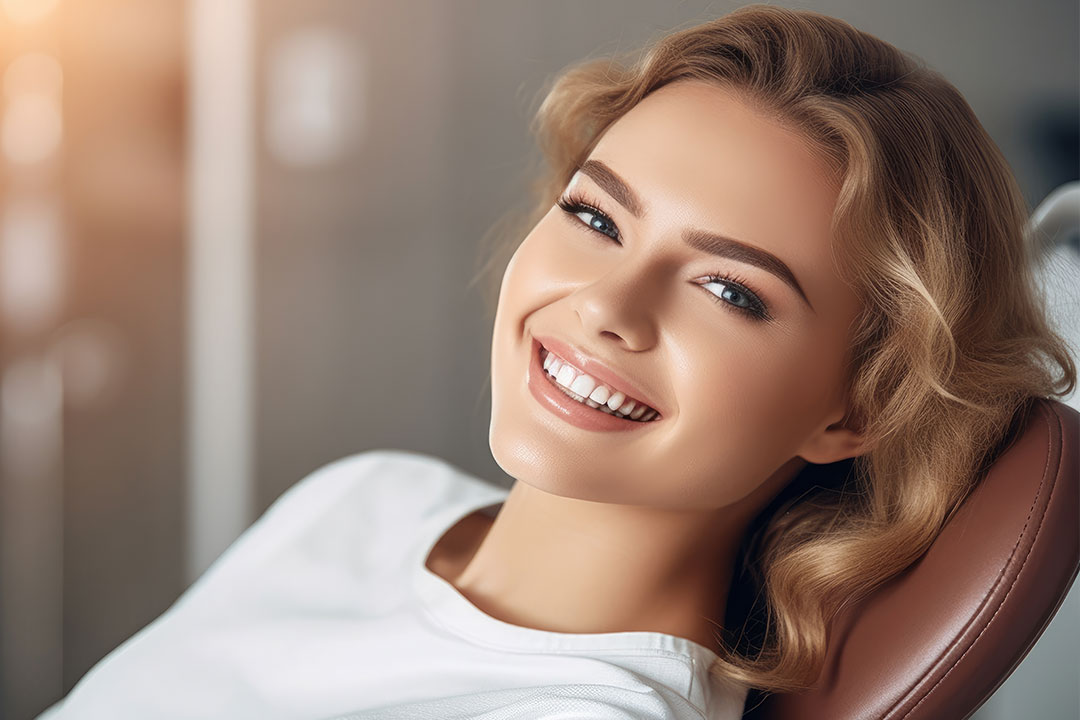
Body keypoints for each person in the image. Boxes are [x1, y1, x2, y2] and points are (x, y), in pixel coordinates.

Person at [37, 5, 1076, 720]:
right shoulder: (365, 499)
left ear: (855, 410)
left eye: (730, 290)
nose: (606, 308)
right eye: (595, 216)